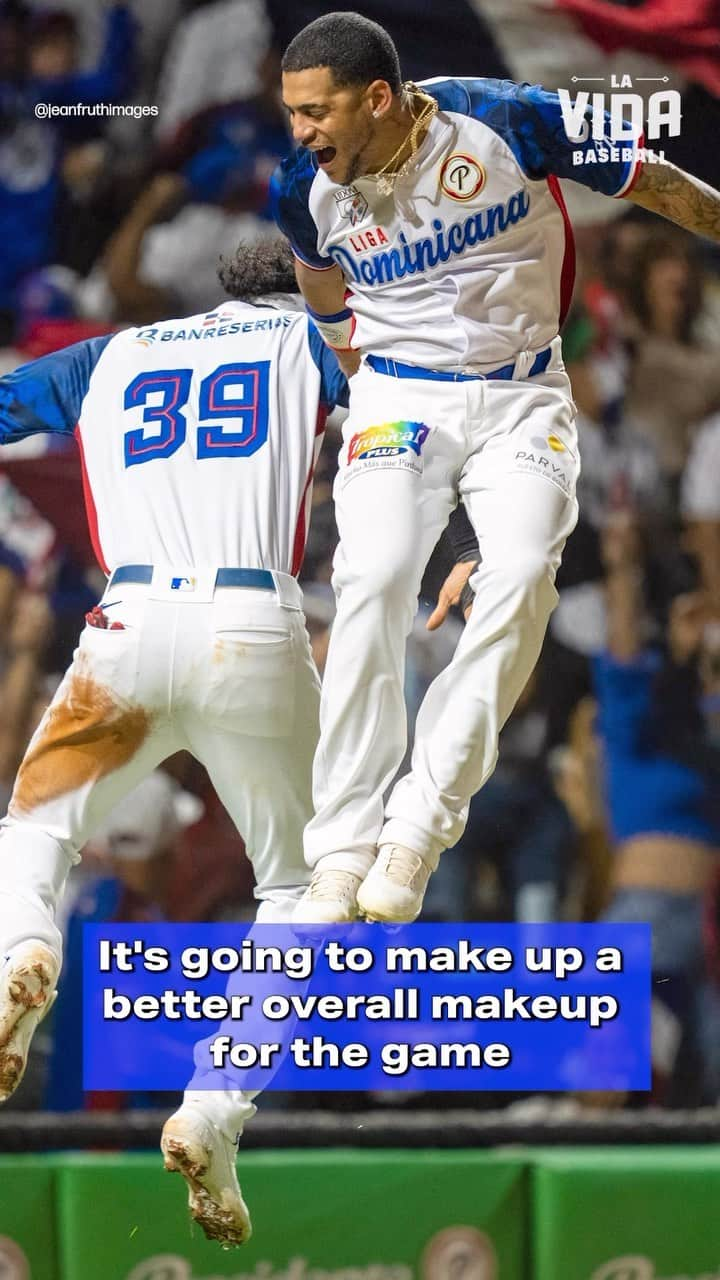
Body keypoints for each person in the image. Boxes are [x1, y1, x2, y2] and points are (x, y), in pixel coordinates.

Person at [273, 11, 720, 926]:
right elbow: (318, 280)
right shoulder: (302, 184)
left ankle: (417, 829)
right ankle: (339, 851)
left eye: (317, 112)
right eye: (291, 114)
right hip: (399, 399)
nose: (302, 133)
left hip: (524, 396)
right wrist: (344, 360)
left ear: (382, 99)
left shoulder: (512, 118)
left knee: (520, 582)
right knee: (377, 578)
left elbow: (654, 181)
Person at [0, 237, 347, 1247]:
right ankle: (216, 1104)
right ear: (299, 290)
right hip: (255, 631)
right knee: (305, 887)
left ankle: (24, 945)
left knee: (32, 831)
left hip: (128, 632)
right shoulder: (314, 338)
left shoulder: (116, 351)